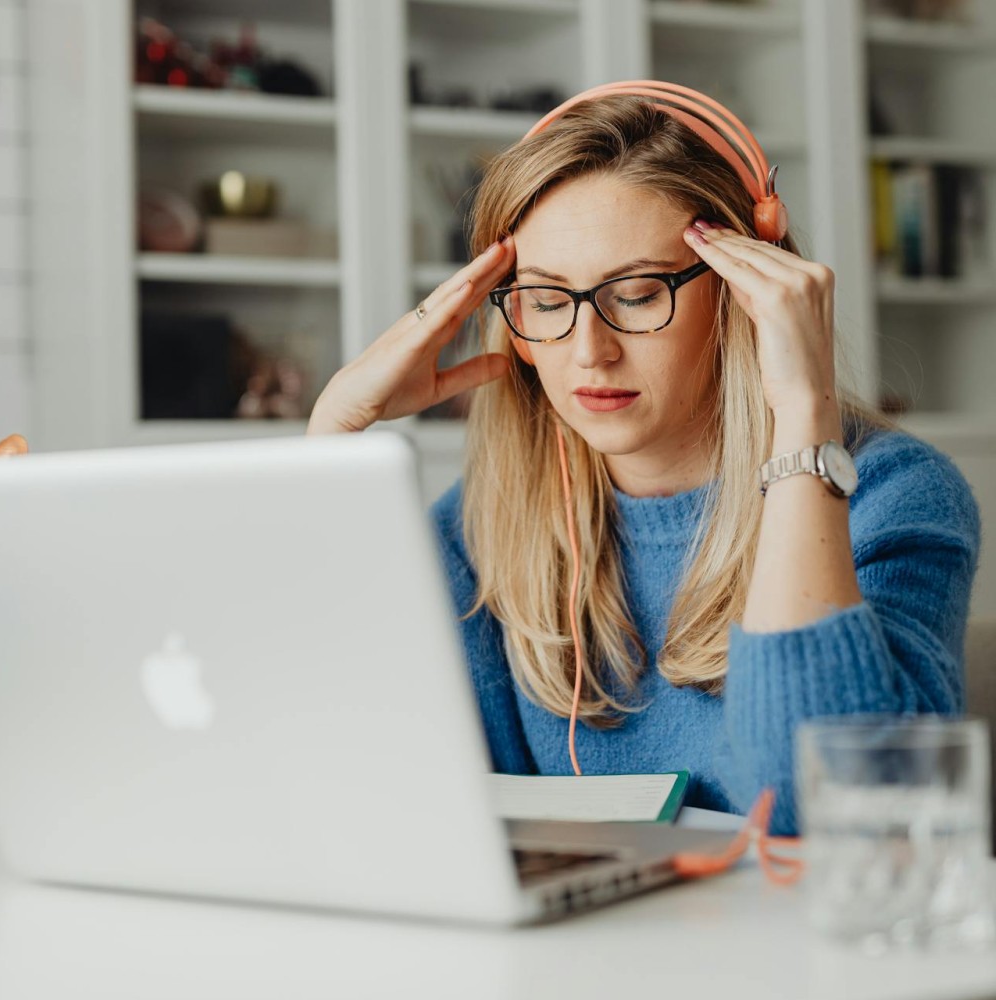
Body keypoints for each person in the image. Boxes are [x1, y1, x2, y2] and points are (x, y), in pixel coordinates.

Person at [307, 82, 980, 835]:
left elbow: (825, 814)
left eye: (636, 293)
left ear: (745, 291)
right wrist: (334, 433)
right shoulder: (482, 523)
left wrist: (803, 421)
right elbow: (350, 771)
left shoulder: (890, 495)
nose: (589, 351)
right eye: (547, 299)